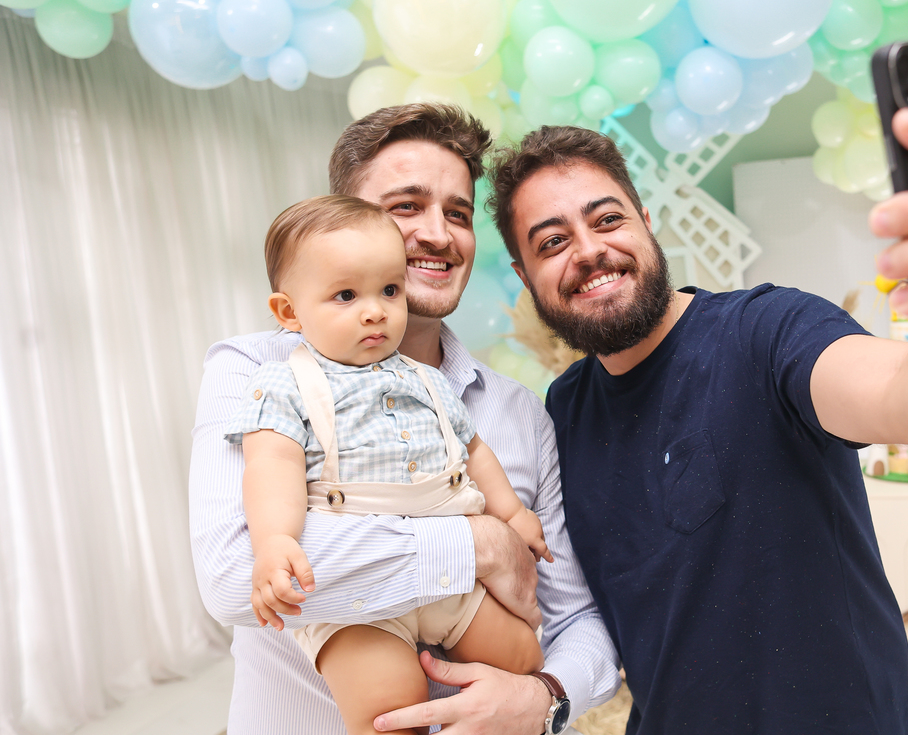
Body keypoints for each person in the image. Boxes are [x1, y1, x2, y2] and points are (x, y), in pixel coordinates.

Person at [443, 110, 908, 734]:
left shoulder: (766, 332)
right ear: (526, 276)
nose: (589, 250)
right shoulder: (564, 409)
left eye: (607, 219)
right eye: (552, 242)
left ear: (645, 222)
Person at [189, 104, 620, 735]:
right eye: (406, 206)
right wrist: (478, 544)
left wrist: (546, 697)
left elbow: (575, 617)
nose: (439, 235)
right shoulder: (257, 368)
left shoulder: (518, 412)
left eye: (458, 214)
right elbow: (233, 579)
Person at [225, 195, 550, 734]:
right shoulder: (284, 383)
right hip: (359, 600)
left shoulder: (428, 379)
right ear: (289, 313)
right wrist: (275, 541)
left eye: (390, 291)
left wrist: (513, 514)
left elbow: (474, 451)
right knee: (390, 710)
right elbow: (271, 465)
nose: (375, 310)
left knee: (522, 656)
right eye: (346, 295)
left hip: (453, 583)